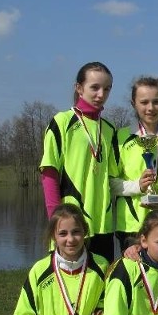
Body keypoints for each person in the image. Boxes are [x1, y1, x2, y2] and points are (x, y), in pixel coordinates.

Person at [40, 61, 118, 263]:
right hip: (70, 226)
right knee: (69, 290)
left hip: (103, 226)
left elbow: (113, 180)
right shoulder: (62, 122)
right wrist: (56, 223)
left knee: (100, 289)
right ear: (79, 88)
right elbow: (49, 174)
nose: (101, 94)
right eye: (95, 87)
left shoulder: (109, 129)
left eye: (107, 89)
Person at [111, 76, 158, 252]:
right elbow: (110, 182)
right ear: (133, 104)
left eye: (156, 102)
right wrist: (137, 186)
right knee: (135, 277)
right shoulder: (120, 137)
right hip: (131, 226)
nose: (150, 108)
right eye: (144, 102)